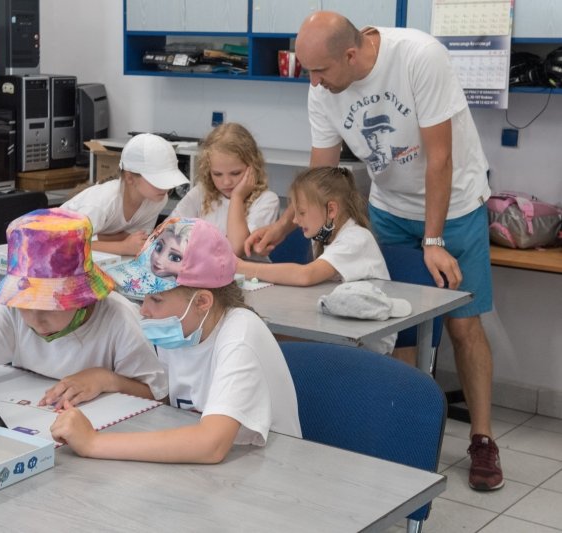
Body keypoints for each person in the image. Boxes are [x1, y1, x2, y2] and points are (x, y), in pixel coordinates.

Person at [245, 12, 501, 491]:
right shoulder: (321, 86)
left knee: (464, 324)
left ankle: (483, 440)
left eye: (320, 71)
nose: (314, 82)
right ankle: (397, 431)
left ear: (351, 53)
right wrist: (285, 223)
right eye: (308, 73)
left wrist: (433, 239)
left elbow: (439, 158)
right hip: (387, 206)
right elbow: (320, 172)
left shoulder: (418, 57)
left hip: (456, 204)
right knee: (389, 324)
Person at [50, 218, 301, 463]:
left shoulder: (240, 336)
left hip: (268, 473)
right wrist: (108, 380)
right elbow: (167, 397)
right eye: (143, 298)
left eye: (156, 300)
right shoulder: (184, 328)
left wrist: (93, 442)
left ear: (202, 302)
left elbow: (211, 445)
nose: (143, 311)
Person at [0, 208, 168, 407]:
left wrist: (107, 379)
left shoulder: (119, 318)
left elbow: (158, 395)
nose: (35, 318)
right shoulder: (9, 310)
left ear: (83, 297)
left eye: (50, 305)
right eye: (26, 303)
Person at [237, 166, 396, 355]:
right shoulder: (322, 236)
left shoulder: (356, 238)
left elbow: (306, 275)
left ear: (331, 210)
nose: (295, 220)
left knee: (267, 343)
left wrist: (239, 266)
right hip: (337, 326)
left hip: (366, 342)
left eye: (301, 213)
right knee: (263, 339)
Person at [62, 133, 188, 256]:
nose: (166, 187)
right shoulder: (102, 203)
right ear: (130, 178)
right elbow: (66, 244)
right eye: (158, 180)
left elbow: (135, 239)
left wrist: (103, 239)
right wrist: (122, 247)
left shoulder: (157, 199)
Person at [169, 123, 279, 257]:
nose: (226, 182)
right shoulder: (201, 192)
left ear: (253, 167)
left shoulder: (267, 201)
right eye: (217, 174)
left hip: (247, 276)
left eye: (235, 173)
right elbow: (168, 233)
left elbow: (235, 249)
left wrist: (237, 197)